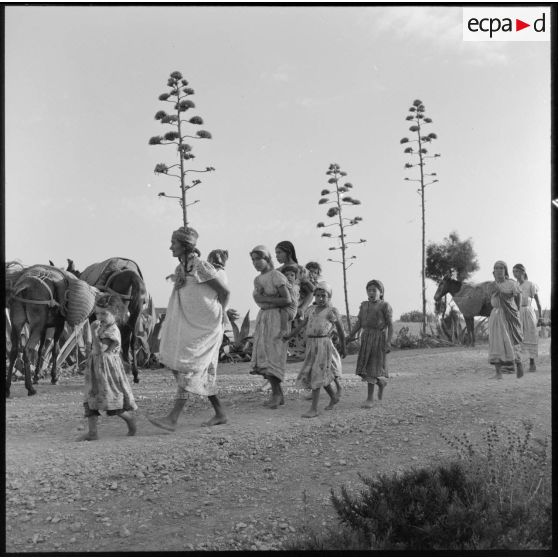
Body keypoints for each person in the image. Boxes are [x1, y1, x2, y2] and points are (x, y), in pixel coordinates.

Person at [148, 226, 230, 431]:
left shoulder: (202, 266)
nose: (170, 247)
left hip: (206, 327)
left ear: (184, 245)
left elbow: (224, 292)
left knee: (190, 370)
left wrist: (221, 315)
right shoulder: (180, 269)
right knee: (190, 369)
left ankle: (173, 418)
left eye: (173, 243)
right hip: (187, 325)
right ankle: (220, 412)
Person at [78, 294, 137, 441]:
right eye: (97, 313)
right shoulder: (102, 327)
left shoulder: (111, 331)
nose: (100, 317)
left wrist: (92, 332)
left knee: (112, 403)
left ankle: (130, 421)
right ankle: (92, 433)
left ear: (115, 313)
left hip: (107, 372)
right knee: (90, 400)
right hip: (95, 369)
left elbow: (100, 350)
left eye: (104, 313)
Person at [284, 282, 346, 418]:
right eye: (317, 295)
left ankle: (314, 409)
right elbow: (301, 325)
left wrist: (344, 346)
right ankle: (333, 397)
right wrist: (289, 335)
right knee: (316, 375)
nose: (320, 298)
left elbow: (340, 331)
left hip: (323, 345)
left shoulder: (331, 311)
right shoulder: (311, 310)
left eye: (324, 295)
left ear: (329, 297)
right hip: (311, 346)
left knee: (317, 375)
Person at [250, 245, 292, 409]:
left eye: (257, 259)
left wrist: (266, 300)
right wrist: (264, 300)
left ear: (266, 259)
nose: (255, 263)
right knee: (265, 356)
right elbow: (258, 300)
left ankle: (277, 394)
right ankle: (277, 394)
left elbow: (286, 300)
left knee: (274, 355)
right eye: (252, 260)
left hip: (276, 317)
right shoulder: (257, 279)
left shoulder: (276, 275)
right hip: (264, 317)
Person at [348, 280, 393, 408]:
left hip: (378, 339)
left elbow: (390, 325)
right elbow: (359, 323)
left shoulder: (384, 306)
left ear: (381, 292)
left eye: (374, 290)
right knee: (363, 369)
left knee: (372, 369)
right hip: (366, 338)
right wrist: (350, 335)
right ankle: (380, 383)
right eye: (369, 290)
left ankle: (369, 399)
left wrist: (388, 342)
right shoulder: (364, 305)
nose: (371, 292)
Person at [488, 261, 523, 380]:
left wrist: (515, 312)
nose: (499, 270)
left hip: (509, 317)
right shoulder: (492, 285)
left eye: (501, 268)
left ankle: (518, 363)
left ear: (505, 270)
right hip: (495, 316)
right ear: (494, 271)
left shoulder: (511, 284)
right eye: (496, 268)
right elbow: (491, 298)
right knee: (496, 343)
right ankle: (498, 373)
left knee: (511, 341)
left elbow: (518, 298)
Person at [512, 264, 543, 372]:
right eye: (513, 271)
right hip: (518, 313)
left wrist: (541, 318)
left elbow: (538, 303)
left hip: (529, 312)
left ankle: (532, 363)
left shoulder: (530, 285)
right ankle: (518, 363)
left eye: (516, 271)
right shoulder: (514, 286)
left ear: (522, 272)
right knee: (517, 338)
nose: (515, 274)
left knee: (531, 336)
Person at [279, 264, 300, 337]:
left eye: (292, 275)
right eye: (286, 275)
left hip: (290, 309)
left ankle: (283, 329)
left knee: (283, 311)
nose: (289, 277)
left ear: (295, 278)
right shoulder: (296, 287)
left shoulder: (290, 286)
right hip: (291, 308)